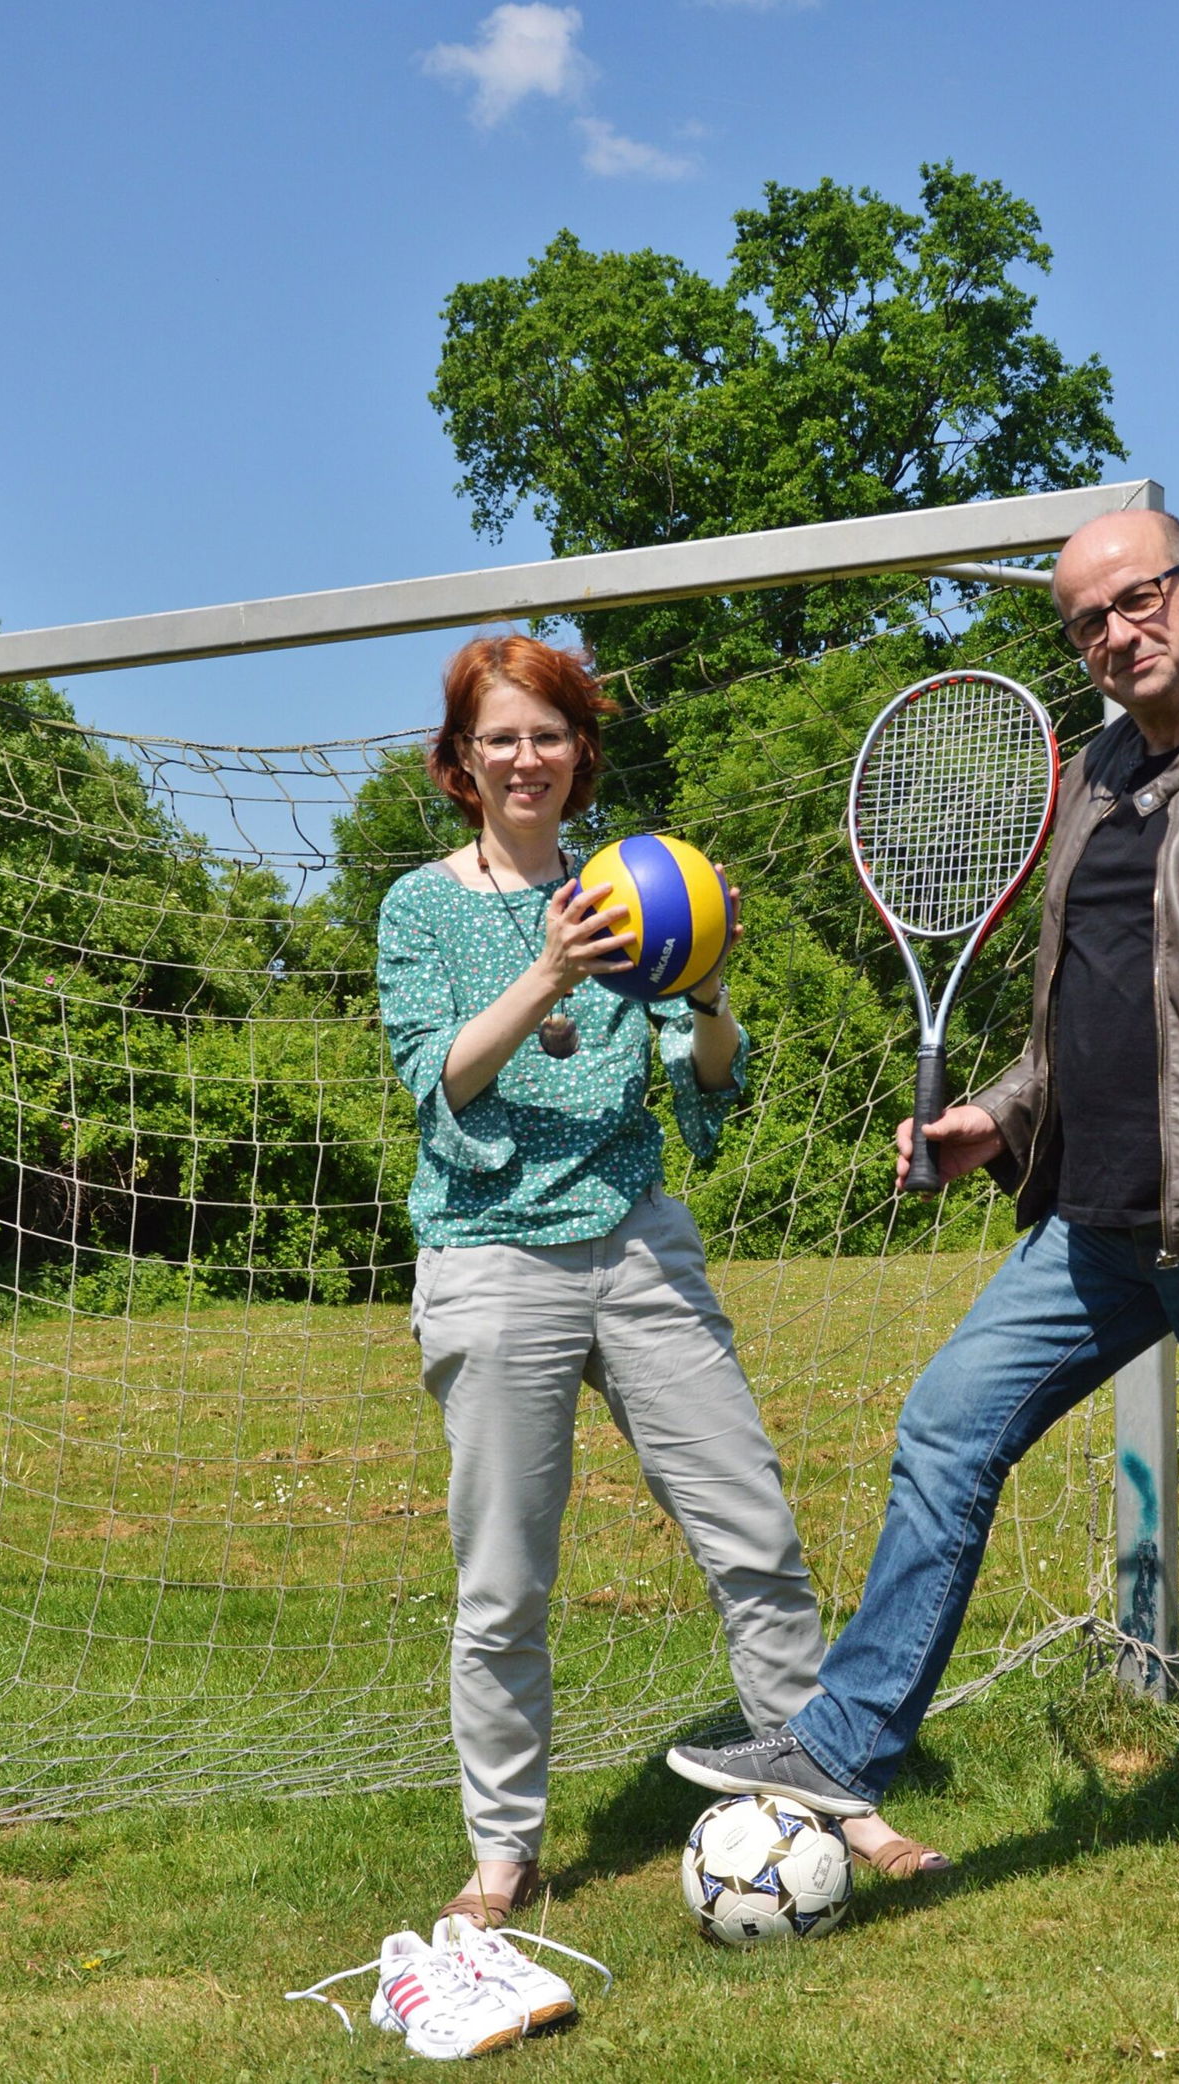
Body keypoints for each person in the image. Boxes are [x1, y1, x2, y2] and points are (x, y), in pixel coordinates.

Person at [668, 510, 1179, 1944]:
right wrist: (1000, 1123)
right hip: (1089, 1227)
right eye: (1086, 621)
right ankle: (843, 1747)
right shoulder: (1093, 777)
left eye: (1136, 602)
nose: (1114, 635)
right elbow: (1078, 1015)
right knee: (949, 1427)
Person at [377, 630, 943, 1929]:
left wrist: (712, 981)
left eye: (550, 734)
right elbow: (440, 1081)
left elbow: (710, 1087)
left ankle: (831, 1798)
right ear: (461, 762)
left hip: (637, 1245)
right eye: (500, 737)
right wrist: (549, 969)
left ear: (582, 756)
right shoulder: (423, 907)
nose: (527, 757)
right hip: (492, 1261)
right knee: (504, 1580)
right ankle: (504, 1856)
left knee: (753, 1533)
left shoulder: (643, 884)